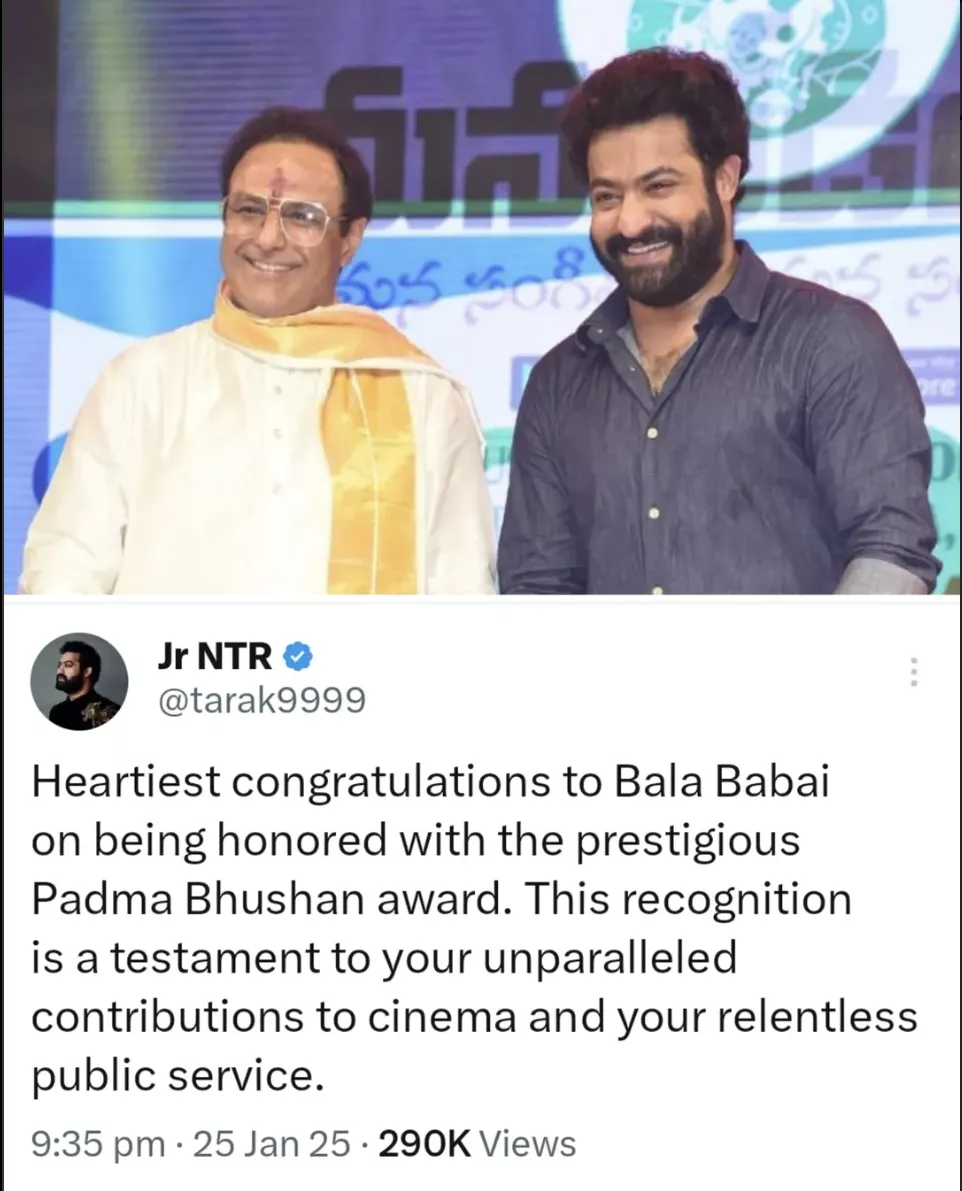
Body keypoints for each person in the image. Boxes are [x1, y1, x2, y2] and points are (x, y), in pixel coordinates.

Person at [498, 49, 940, 596]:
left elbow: (890, 550)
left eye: (659, 187)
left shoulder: (831, 342)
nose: (630, 222)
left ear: (725, 178)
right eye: (607, 196)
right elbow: (537, 590)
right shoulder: (558, 383)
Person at [21, 108, 495, 595]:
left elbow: (461, 590)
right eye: (248, 210)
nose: (268, 239)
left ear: (349, 239)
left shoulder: (422, 397)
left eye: (303, 217)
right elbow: (64, 571)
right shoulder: (141, 381)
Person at [48, 640, 121, 731]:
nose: (59, 671)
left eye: (68, 665)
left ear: (87, 671)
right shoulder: (56, 712)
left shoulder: (111, 713)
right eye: (59, 665)